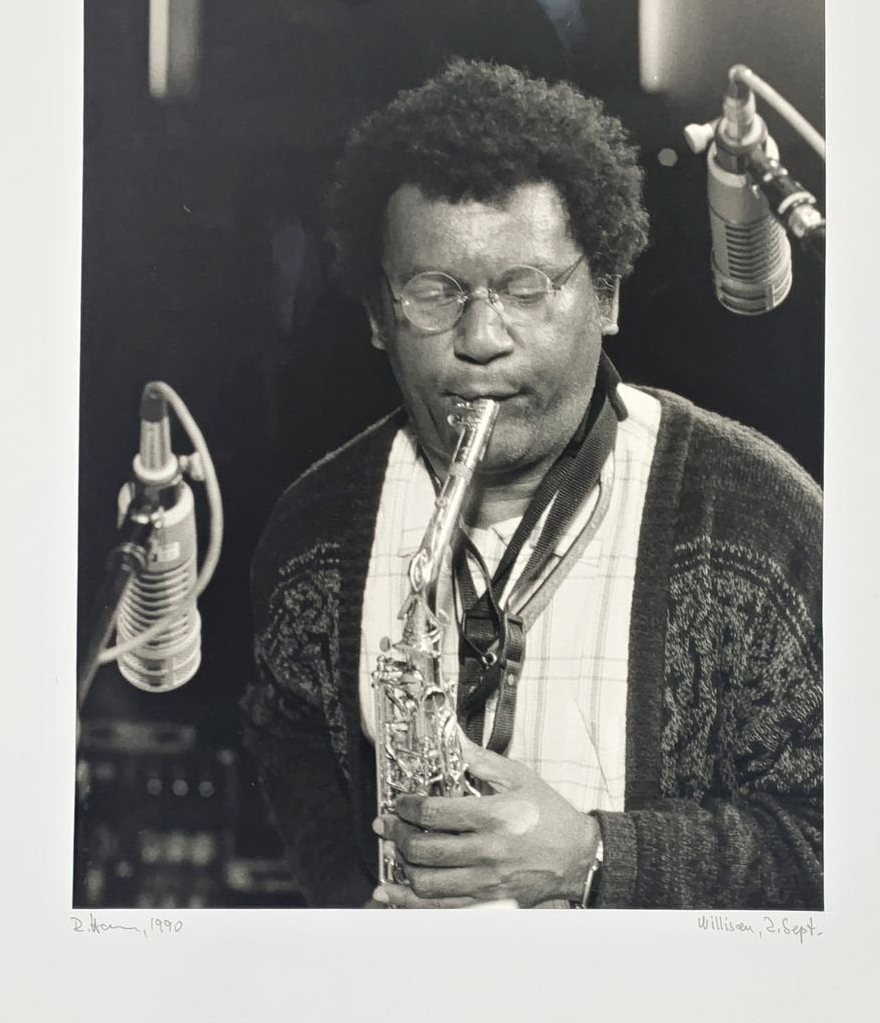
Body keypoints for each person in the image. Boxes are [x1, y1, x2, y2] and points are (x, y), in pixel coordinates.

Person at [241, 59, 823, 909]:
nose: (480, 340)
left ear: (608, 294)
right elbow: (294, 781)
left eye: (526, 287)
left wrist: (596, 859)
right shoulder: (312, 536)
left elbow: (860, 845)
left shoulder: (760, 521)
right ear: (378, 317)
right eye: (433, 292)